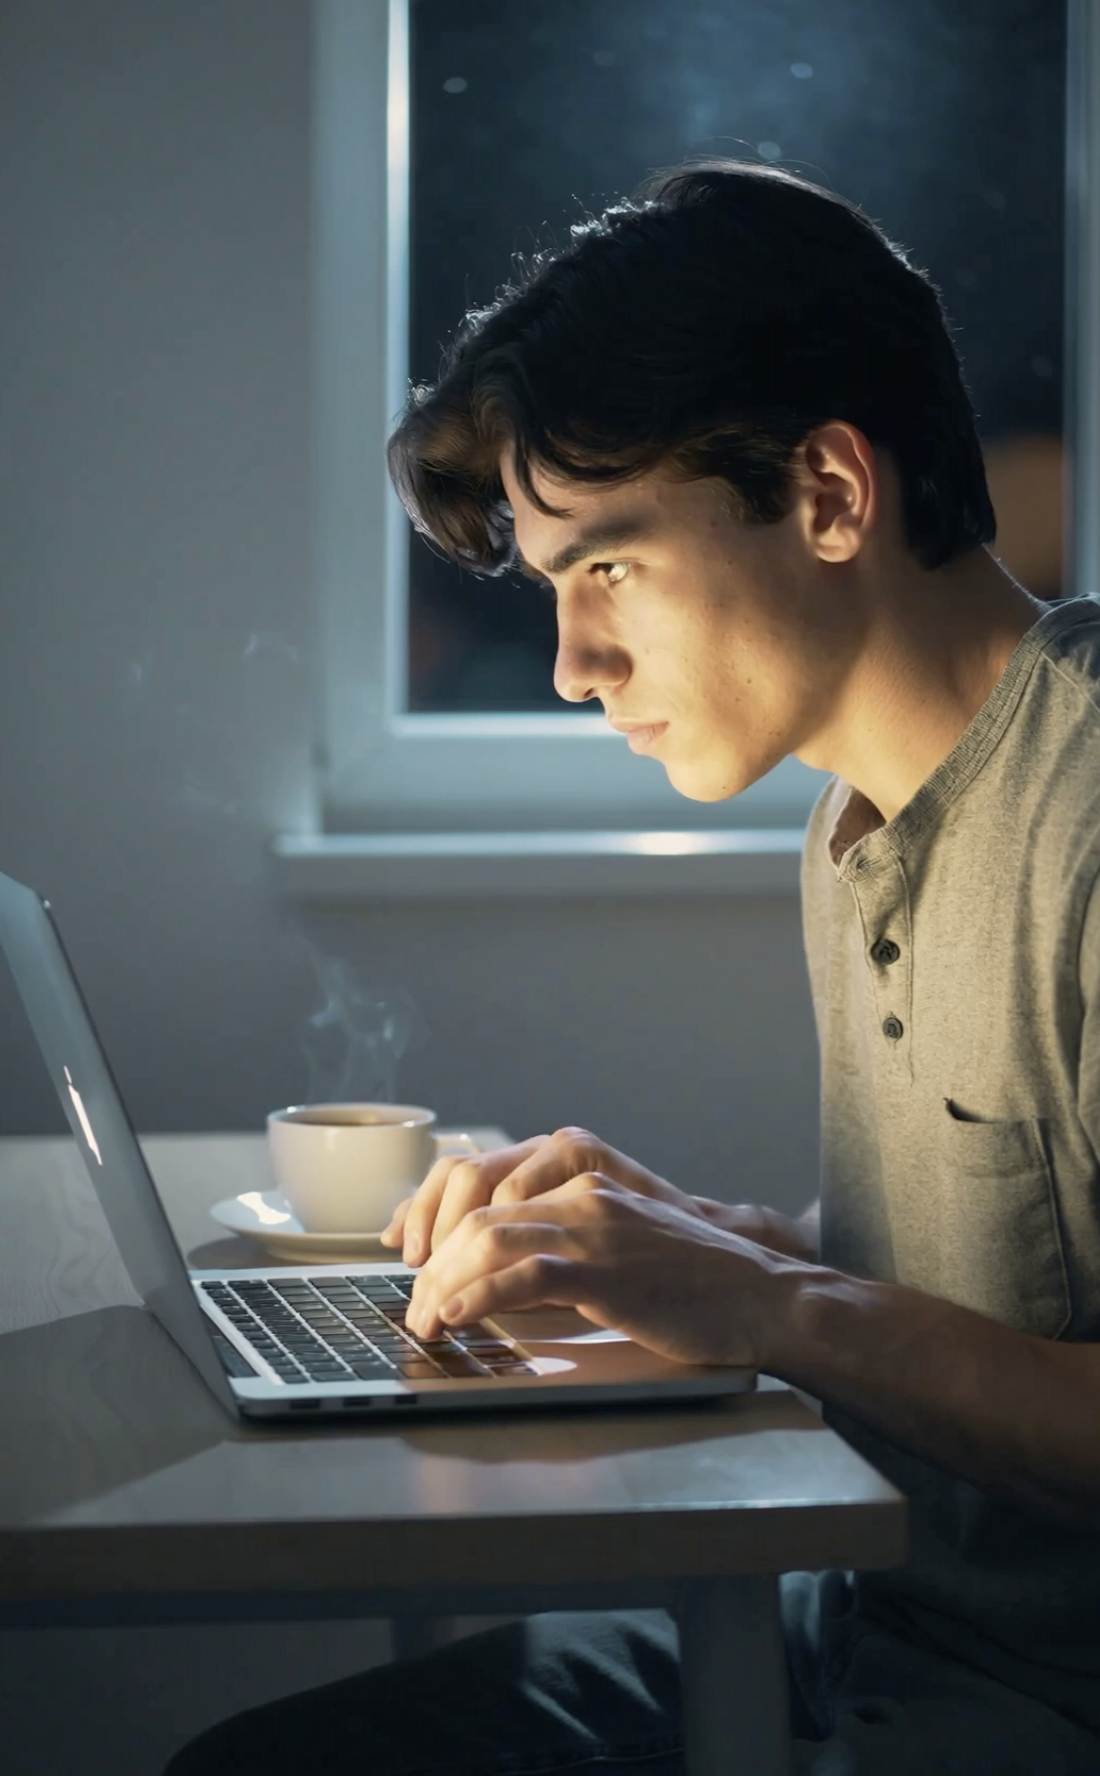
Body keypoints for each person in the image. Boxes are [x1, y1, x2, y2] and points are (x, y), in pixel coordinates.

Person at [167, 160, 1100, 1774]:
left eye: (606, 568)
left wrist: (774, 1303)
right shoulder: (855, 814)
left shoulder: (1084, 810)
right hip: (846, 1622)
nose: (572, 669)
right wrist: (699, 1234)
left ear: (826, 492)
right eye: (549, 590)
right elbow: (1012, 1275)